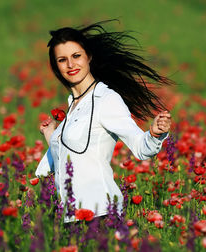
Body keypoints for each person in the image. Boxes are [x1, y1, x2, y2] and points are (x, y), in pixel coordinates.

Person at [35, 21, 172, 223]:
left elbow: (141, 148)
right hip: (70, 219)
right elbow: (71, 159)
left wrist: (154, 133)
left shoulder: (106, 100)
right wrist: (52, 136)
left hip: (101, 216)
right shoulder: (73, 106)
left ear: (89, 57)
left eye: (76, 56)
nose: (71, 65)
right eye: (62, 60)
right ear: (56, 66)